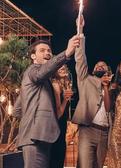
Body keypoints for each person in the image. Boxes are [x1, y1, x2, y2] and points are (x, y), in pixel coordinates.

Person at [16, 35, 80, 168]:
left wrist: (31, 117)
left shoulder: (44, 81)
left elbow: (17, 109)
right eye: (42, 50)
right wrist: (67, 53)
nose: (47, 53)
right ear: (33, 56)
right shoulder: (32, 71)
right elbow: (41, 72)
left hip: (42, 136)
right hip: (34, 138)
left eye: (49, 51)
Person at [72, 16, 112, 168]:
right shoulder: (85, 79)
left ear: (108, 71)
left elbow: (109, 109)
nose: (100, 67)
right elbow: (80, 58)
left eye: (104, 67)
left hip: (105, 132)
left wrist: (107, 87)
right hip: (88, 130)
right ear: (93, 70)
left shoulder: (111, 87)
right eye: (98, 66)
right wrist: (80, 30)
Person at [50, 64, 74, 168]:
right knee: (56, 160)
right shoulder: (55, 84)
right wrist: (65, 99)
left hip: (62, 128)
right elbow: (58, 113)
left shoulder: (65, 85)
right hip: (56, 129)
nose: (62, 68)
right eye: (59, 67)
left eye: (64, 67)